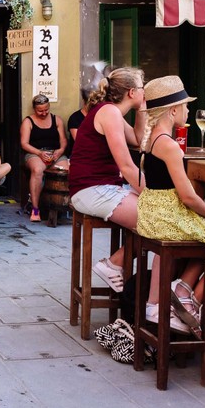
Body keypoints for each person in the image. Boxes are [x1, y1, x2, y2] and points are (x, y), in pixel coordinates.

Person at [136, 76, 205, 335]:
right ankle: (190, 297)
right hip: (167, 216)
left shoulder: (151, 140)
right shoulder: (170, 146)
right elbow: (188, 197)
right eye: (185, 106)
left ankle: (178, 292)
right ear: (173, 110)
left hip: (151, 213)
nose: (187, 111)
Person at [68, 67, 147, 293]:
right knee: (157, 216)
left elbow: (138, 140)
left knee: (156, 217)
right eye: (142, 87)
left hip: (100, 187)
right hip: (91, 189)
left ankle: (115, 263)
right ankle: (112, 264)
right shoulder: (109, 113)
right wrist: (152, 194)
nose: (145, 91)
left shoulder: (112, 112)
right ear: (132, 92)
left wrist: (142, 109)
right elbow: (126, 166)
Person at [19, 94, 68, 222]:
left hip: (55, 153)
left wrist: (60, 151)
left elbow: (63, 140)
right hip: (35, 153)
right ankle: (35, 208)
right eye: (40, 110)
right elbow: (24, 143)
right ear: (34, 109)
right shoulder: (28, 121)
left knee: (65, 171)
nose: (43, 113)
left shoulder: (56, 119)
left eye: (46, 109)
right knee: (37, 170)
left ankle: (62, 206)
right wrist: (39, 153)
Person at [65, 88, 92, 159]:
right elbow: (79, 141)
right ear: (84, 102)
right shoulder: (75, 118)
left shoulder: (99, 116)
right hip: (79, 155)